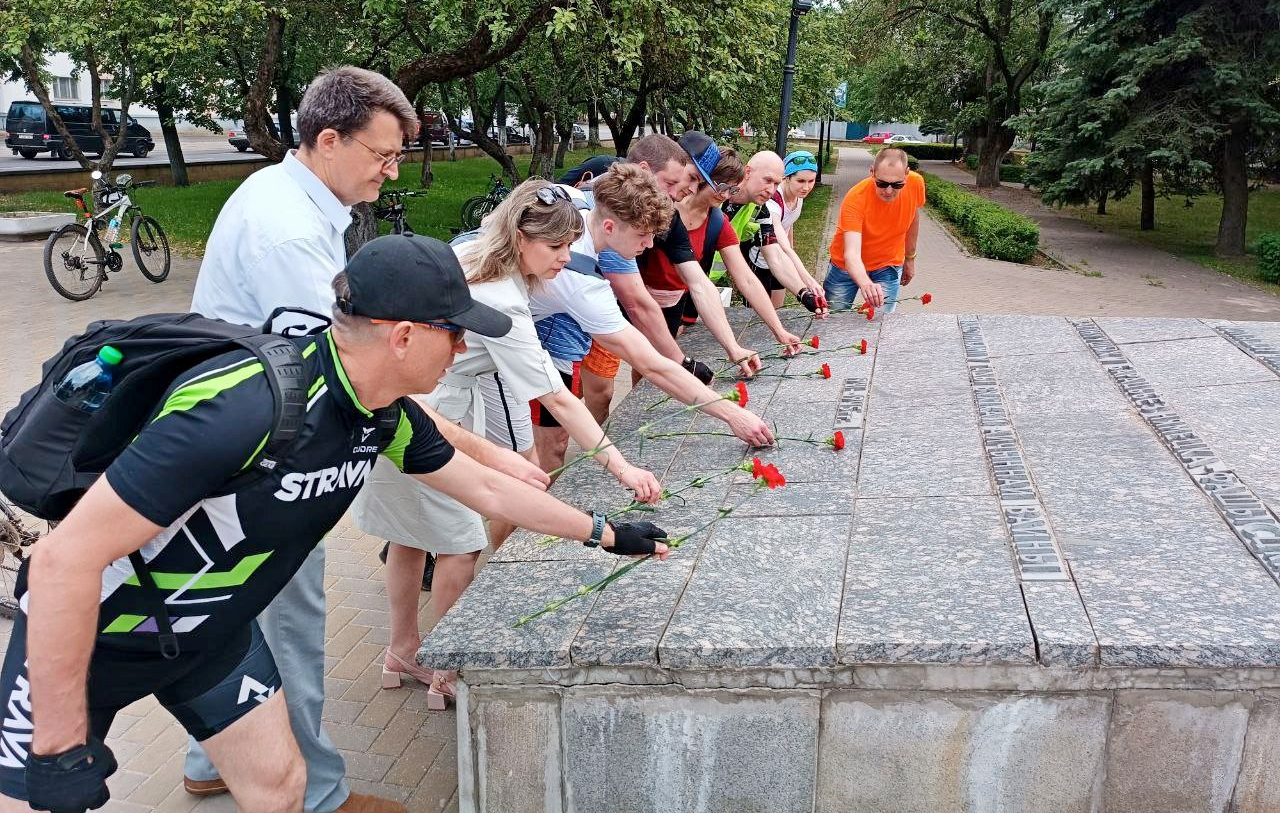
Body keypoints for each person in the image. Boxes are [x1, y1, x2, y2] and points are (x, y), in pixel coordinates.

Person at [0, 234, 668, 813]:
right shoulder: (244, 409)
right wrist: (56, 746)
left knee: (281, 787)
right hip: (92, 638)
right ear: (403, 337)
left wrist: (605, 533)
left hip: (210, 635)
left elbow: (490, 488)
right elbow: (62, 564)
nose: (462, 347)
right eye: (455, 333)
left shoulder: (381, 412)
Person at [186, 65, 423, 813]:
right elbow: (343, 372)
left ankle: (208, 761)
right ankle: (318, 794)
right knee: (290, 621)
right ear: (328, 140)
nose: (390, 173)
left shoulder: (295, 200)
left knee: (234, 613)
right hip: (263, 462)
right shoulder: (286, 230)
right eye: (383, 156)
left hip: (236, 443)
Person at [351, 181, 662, 709]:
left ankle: (403, 649)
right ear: (520, 239)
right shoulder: (502, 305)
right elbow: (560, 403)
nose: (568, 258)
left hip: (414, 397)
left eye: (570, 246)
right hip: (433, 404)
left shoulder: (478, 255)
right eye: (557, 247)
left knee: (407, 535)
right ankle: (444, 669)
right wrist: (622, 469)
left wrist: (508, 460)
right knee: (459, 544)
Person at [526, 162, 774, 472]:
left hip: (499, 317)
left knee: (521, 460)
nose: (649, 244)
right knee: (522, 462)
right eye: (643, 235)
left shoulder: (572, 200)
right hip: (482, 331)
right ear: (609, 228)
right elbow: (651, 364)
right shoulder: (581, 282)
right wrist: (733, 415)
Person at [576, 134, 765, 425]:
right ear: (644, 169)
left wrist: (733, 347)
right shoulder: (612, 217)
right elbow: (639, 303)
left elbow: (699, 283)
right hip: (582, 308)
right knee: (579, 398)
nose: (685, 189)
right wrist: (685, 366)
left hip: (595, 302)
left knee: (571, 401)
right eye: (680, 180)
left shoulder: (672, 216)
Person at [643, 147, 802, 357]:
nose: (726, 195)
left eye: (733, 190)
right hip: (638, 296)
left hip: (677, 301)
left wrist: (779, 331)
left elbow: (745, 278)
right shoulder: (665, 207)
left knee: (655, 365)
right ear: (704, 177)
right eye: (723, 187)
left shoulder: (717, 221)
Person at [723, 151, 828, 317]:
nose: (771, 190)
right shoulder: (718, 199)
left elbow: (776, 255)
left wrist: (805, 295)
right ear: (748, 172)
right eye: (767, 180)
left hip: (705, 278)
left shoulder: (760, 210)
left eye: (775, 183)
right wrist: (808, 281)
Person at [823, 147, 925, 313]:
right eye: (882, 183)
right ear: (872, 172)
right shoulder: (855, 198)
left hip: (888, 263)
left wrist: (910, 258)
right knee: (833, 320)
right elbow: (851, 254)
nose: (889, 191)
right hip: (845, 268)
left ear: (907, 173)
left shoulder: (916, 183)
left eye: (897, 184)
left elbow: (913, 217)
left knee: (880, 324)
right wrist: (865, 283)